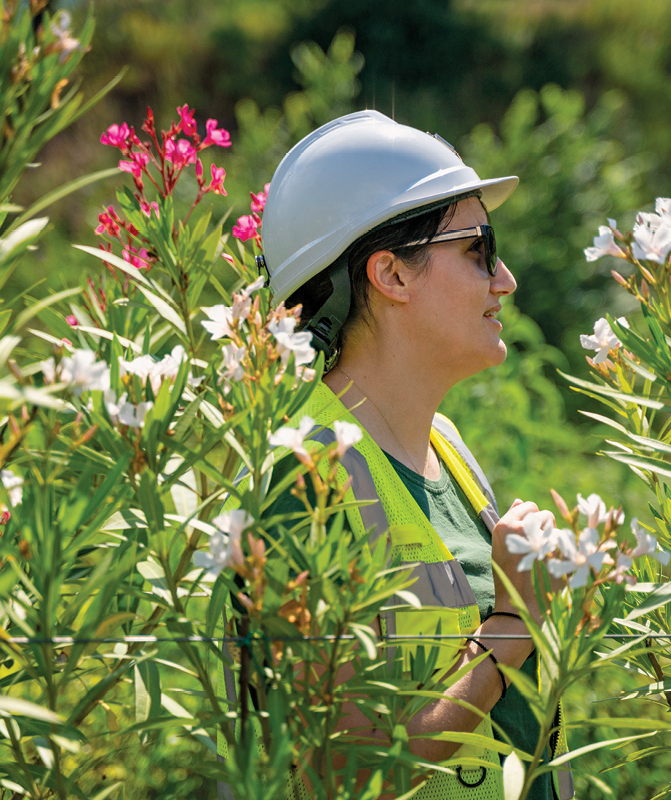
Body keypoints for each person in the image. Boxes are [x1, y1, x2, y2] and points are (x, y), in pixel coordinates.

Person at [219, 110, 573, 800]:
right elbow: (346, 768)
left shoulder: (449, 449)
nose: (505, 280)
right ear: (390, 274)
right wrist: (514, 622)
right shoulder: (303, 476)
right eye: (479, 248)